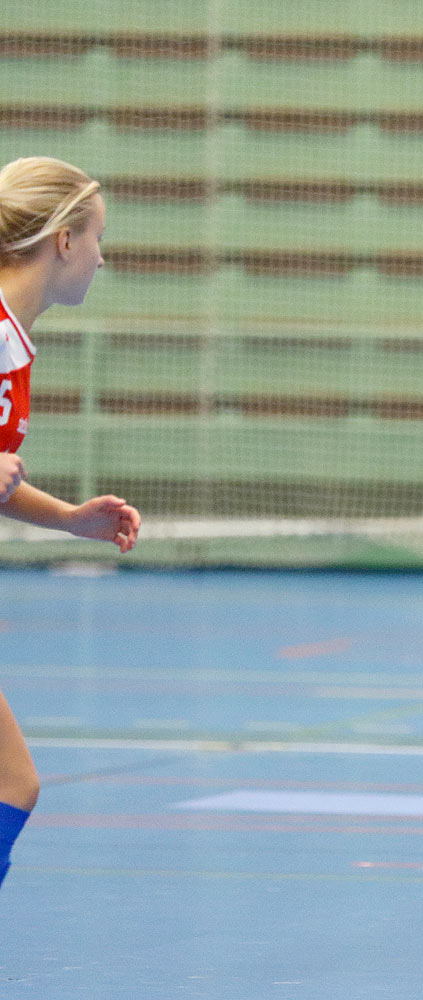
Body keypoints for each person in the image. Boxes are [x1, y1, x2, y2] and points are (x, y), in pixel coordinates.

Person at [0, 155, 142, 889]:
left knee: (13, 786)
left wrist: (70, 520)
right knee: (11, 785)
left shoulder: (14, 342)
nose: (100, 255)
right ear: (62, 243)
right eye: (96, 237)